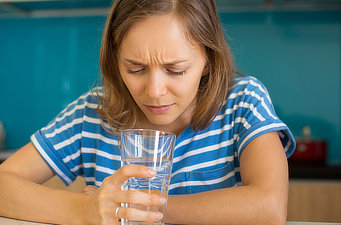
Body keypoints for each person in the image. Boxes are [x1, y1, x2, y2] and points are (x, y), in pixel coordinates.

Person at [0, 0, 295, 224]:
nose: (154, 91)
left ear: (208, 58)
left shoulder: (243, 102)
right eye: (136, 68)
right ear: (115, 60)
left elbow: (269, 206)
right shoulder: (91, 113)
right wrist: (85, 209)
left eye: (175, 70)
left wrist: (142, 206)